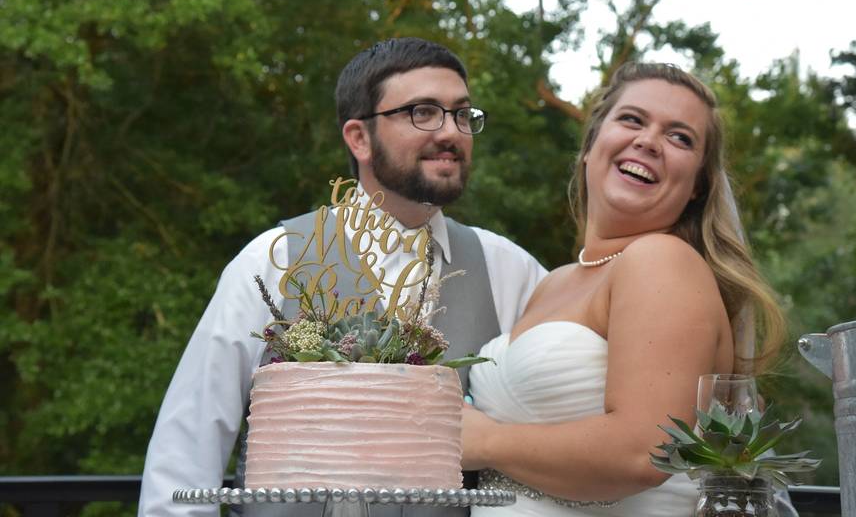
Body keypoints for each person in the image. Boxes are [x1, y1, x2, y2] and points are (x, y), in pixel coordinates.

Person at [138, 37, 547, 517]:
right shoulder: (273, 260)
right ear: (358, 138)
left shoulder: (510, 269)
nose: (451, 132)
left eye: (461, 114)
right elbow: (187, 451)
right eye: (423, 112)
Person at [463, 62, 788, 516]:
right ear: (589, 148)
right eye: (632, 119)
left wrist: (482, 441)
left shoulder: (661, 259)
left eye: (680, 138)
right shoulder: (555, 281)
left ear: (698, 186)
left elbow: (644, 451)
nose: (649, 141)